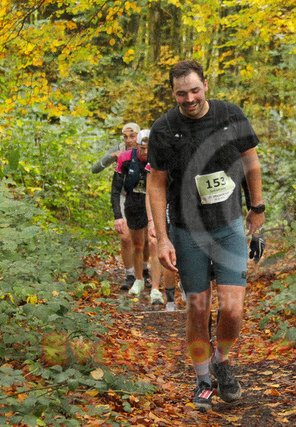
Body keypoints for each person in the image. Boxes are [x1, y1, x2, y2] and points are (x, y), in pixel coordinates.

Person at [146, 60, 264, 411]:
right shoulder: (164, 128)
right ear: (173, 94)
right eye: (181, 93)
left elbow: (250, 160)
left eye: (195, 90)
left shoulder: (230, 115)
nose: (189, 99)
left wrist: (257, 207)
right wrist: (163, 238)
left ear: (206, 86)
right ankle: (201, 381)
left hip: (228, 226)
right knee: (198, 310)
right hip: (187, 231)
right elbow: (156, 183)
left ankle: (221, 361)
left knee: (233, 311)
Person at [91, 123, 150, 290]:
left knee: (146, 238)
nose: (129, 140)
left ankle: (144, 270)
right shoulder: (120, 149)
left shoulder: (148, 148)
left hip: (144, 196)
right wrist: (111, 157)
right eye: (125, 137)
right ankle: (130, 274)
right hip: (125, 195)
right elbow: (94, 169)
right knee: (125, 237)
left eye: (132, 136)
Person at [111, 129, 165, 305]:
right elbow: (115, 189)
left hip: (154, 204)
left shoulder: (159, 158)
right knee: (138, 245)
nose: (145, 152)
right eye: (142, 148)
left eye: (148, 149)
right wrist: (118, 216)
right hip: (133, 203)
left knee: (154, 243)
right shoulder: (126, 158)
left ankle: (155, 288)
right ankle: (139, 279)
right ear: (137, 146)